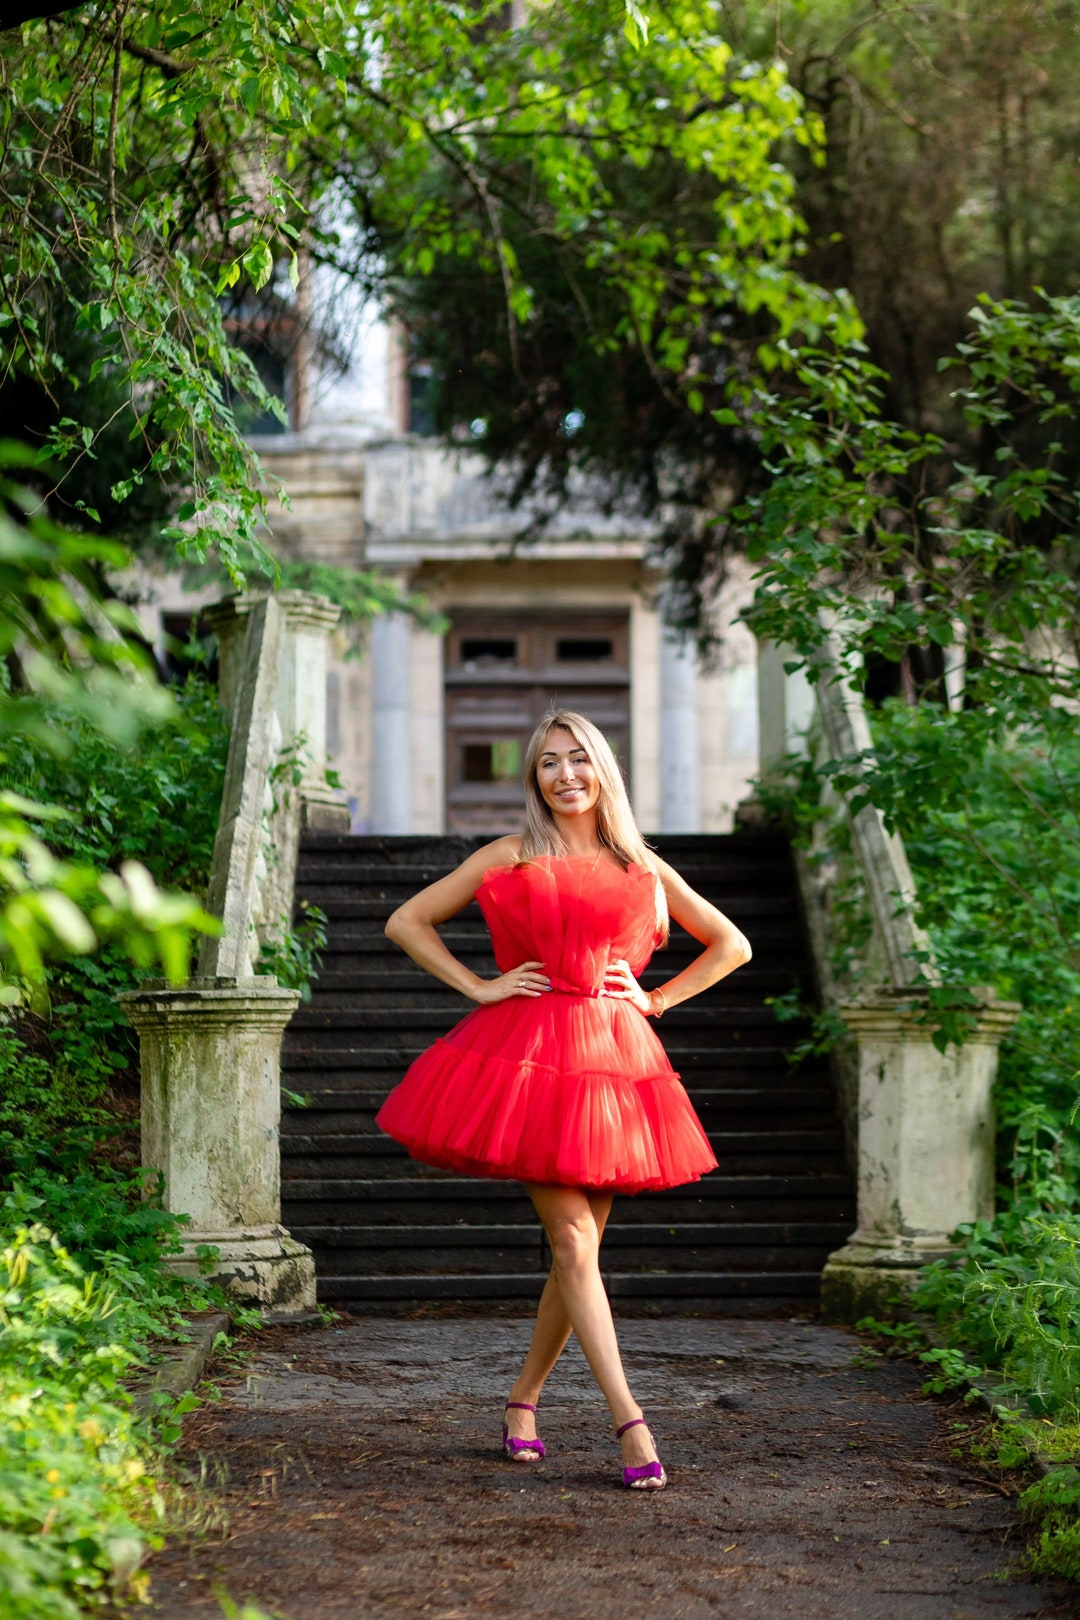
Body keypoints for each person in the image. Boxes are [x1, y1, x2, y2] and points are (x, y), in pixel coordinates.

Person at [375, 709, 752, 1490]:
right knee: (575, 1243)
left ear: (603, 770)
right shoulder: (509, 855)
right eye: (549, 763)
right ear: (534, 779)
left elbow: (732, 944)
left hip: (615, 1062)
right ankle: (630, 1421)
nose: (565, 774)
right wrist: (479, 986)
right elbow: (406, 921)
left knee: (574, 1253)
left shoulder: (640, 863)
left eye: (579, 759)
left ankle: (523, 1401)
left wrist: (656, 1000)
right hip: (528, 1059)